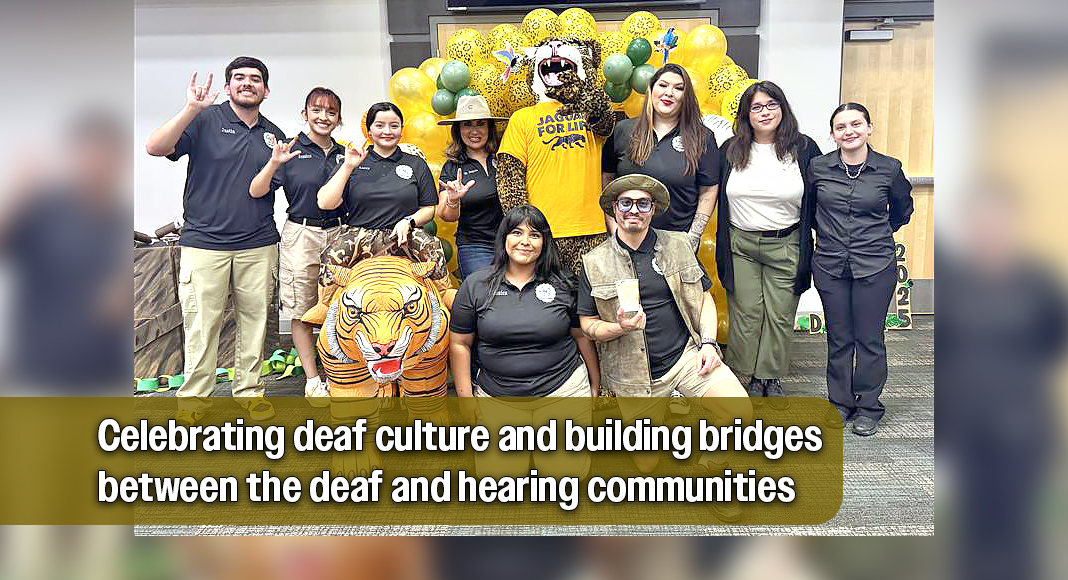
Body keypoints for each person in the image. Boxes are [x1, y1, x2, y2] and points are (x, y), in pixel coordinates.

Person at [577, 175, 751, 477]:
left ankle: (711, 466)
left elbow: (704, 300)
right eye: (626, 203)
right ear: (615, 209)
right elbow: (587, 324)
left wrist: (709, 342)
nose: (634, 210)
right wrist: (618, 328)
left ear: (653, 209)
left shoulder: (679, 245)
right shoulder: (594, 262)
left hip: (685, 358)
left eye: (643, 203)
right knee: (647, 466)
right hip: (634, 377)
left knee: (740, 413)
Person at [145, 57, 283, 424]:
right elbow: (154, 147)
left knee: (255, 324)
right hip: (204, 243)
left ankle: (250, 394)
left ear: (265, 90)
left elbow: (263, 189)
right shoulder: (205, 119)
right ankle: (194, 403)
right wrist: (190, 107)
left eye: (255, 79)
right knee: (202, 327)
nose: (247, 83)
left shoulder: (274, 135)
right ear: (228, 87)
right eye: (239, 78)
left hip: (259, 243)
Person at [450, 205, 598, 479]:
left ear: (545, 242)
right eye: (517, 232)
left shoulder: (564, 284)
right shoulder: (476, 285)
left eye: (535, 235)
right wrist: (466, 400)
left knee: (566, 482)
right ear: (504, 238)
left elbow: (582, 337)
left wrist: (594, 385)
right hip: (498, 398)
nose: (525, 242)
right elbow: (460, 343)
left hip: (562, 392)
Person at [715, 81, 823, 408]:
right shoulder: (730, 150)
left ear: (782, 109)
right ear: (746, 114)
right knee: (747, 313)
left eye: (771, 105)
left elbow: (820, 197)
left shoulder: (804, 149)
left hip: (786, 243)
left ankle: (769, 376)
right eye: (757, 107)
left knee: (779, 314)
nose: (765, 112)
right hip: (740, 243)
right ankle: (744, 375)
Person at [809, 102, 914, 436]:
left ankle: (869, 406)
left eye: (856, 124)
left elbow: (902, 210)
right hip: (830, 264)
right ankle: (839, 403)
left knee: (870, 339)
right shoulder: (818, 167)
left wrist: (873, 234)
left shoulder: (889, 169)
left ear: (870, 127)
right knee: (839, 338)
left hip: (876, 265)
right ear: (833, 134)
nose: (849, 131)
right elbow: (810, 211)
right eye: (841, 127)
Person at [249, 87, 346, 404]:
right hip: (301, 234)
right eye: (317, 110)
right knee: (302, 310)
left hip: (340, 234)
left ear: (338, 118)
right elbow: (257, 190)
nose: (324, 117)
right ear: (305, 114)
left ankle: (342, 373)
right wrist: (274, 163)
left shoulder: (346, 154)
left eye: (331, 112)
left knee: (341, 306)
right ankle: (313, 379)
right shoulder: (289, 149)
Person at [316, 102, 446, 280]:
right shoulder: (352, 160)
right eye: (379, 125)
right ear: (369, 130)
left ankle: (440, 302)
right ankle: (326, 307)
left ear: (401, 129)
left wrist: (408, 222)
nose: (387, 131)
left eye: (394, 126)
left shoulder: (416, 163)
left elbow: (429, 209)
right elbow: (325, 203)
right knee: (331, 259)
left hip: (404, 233)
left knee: (433, 251)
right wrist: (348, 166)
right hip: (358, 235)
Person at [601, 63, 720, 248]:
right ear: (651, 90)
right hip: (627, 239)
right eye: (663, 85)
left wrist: (693, 237)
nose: (669, 92)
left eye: (678, 88)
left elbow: (708, 190)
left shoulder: (702, 137)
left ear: (685, 97)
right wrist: (614, 227)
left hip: (677, 242)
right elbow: (608, 180)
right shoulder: (623, 131)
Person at [436, 95, 507, 280]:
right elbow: (446, 215)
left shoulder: (505, 155)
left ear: (489, 128)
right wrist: (453, 199)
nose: (474, 131)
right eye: (467, 124)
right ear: (458, 129)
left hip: (514, 242)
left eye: (480, 124)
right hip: (476, 247)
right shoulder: (452, 167)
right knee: (486, 301)